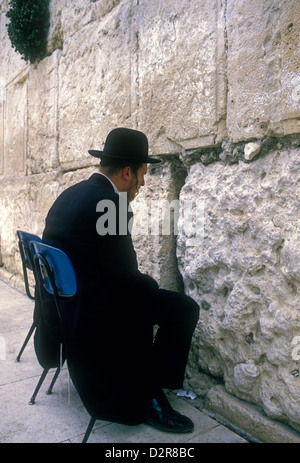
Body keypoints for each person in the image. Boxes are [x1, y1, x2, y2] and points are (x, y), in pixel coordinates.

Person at [38, 127, 199, 433]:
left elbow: (105, 265)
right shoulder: (111, 206)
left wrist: (137, 280)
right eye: (142, 174)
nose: (142, 183)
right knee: (182, 308)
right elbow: (125, 279)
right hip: (95, 317)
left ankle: (148, 381)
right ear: (127, 172)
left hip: (66, 308)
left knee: (143, 294)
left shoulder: (69, 194)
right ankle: (152, 391)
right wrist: (147, 283)